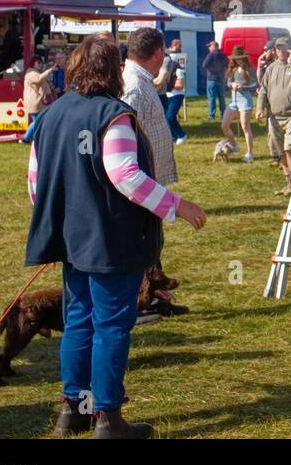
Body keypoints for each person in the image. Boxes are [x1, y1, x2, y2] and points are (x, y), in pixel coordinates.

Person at [24, 34, 207, 439]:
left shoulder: (50, 116)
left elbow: (36, 184)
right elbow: (125, 175)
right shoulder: (114, 115)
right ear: (113, 71)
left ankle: (71, 411)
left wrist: (65, 220)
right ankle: (107, 419)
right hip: (110, 241)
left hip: (71, 240)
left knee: (78, 321)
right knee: (110, 325)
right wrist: (177, 205)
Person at [121, 28, 177, 187]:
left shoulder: (141, 81)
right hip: (141, 188)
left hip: (148, 184)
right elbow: (126, 146)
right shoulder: (134, 88)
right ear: (158, 52)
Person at [256, 37, 291, 195]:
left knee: (290, 147)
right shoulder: (272, 68)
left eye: (283, 48)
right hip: (274, 117)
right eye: (277, 48)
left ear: (290, 49)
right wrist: (260, 107)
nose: (280, 51)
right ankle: (288, 182)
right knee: (280, 151)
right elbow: (264, 89)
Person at [222, 46, 256, 161]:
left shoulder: (250, 68)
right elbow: (228, 82)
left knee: (245, 126)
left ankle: (250, 153)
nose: (238, 60)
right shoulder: (233, 68)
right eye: (236, 59)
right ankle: (234, 145)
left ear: (244, 57)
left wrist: (243, 87)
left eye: (240, 58)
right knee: (224, 125)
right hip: (233, 100)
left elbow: (255, 84)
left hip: (245, 100)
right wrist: (232, 85)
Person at [20, 55, 58, 145]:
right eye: (39, 63)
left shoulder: (35, 72)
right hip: (35, 102)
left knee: (38, 121)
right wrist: (50, 70)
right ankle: (26, 138)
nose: (40, 65)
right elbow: (39, 80)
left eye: (41, 63)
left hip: (37, 102)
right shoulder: (31, 73)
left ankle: (33, 139)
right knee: (38, 122)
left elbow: (41, 83)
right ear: (33, 63)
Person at [202, 40, 228, 121]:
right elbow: (227, 64)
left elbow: (204, 64)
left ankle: (211, 116)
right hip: (221, 79)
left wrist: (212, 69)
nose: (209, 48)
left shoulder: (211, 54)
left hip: (212, 79)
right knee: (222, 98)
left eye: (210, 46)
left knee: (211, 98)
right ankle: (223, 115)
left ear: (214, 46)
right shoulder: (223, 54)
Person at [165, 57, 187, 145]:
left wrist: (167, 85)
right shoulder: (166, 71)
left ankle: (181, 135)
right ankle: (173, 137)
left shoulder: (178, 71)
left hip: (177, 95)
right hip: (168, 95)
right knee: (166, 118)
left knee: (170, 117)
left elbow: (180, 85)